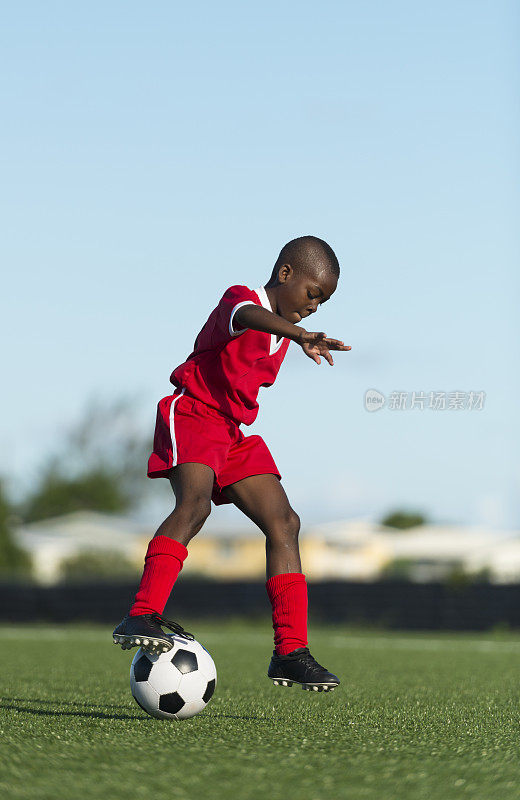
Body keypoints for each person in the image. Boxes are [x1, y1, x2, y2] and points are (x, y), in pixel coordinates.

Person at [113, 235, 351, 691]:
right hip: (195, 413)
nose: (316, 306)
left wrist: (296, 332)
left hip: (232, 434)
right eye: (313, 293)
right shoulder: (243, 300)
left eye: (324, 301)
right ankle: (141, 615)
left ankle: (290, 651)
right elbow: (244, 317)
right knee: (195, 505)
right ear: (285, 274)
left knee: (284, 522)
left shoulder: (283, 326)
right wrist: (299, 334)